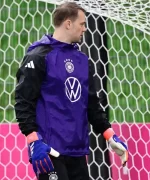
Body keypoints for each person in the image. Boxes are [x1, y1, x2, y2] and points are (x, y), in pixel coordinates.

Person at [14, 2, 128, 180]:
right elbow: (23, 101)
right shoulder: (38, 56)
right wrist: (33, 139)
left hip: (76, 151)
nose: (84, 29)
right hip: (49, 151)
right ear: (68, 23)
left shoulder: (82, 61)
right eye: (82, 24)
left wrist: (110, 136)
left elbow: (91, 104)